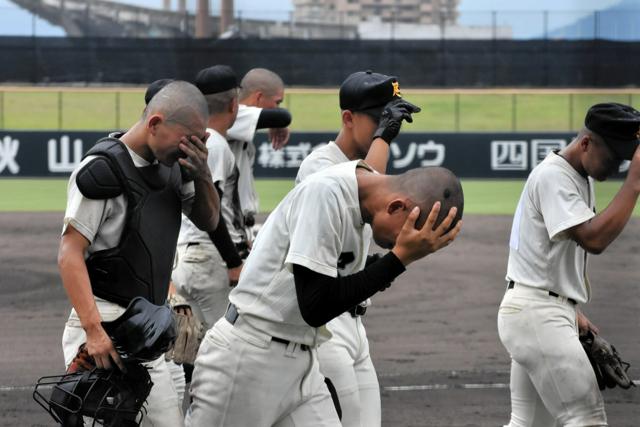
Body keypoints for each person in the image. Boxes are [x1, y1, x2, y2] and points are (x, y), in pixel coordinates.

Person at [185, 160, 463, 427]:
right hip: (247, 358)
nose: (399, 244)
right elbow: (315, 306)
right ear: (397, 206)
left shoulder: (362, 193)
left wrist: (377, 266)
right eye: (406, 235)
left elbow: (327, 272)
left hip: (301, 364)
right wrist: (399, 260)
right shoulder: (326, 194)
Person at [58, 80, 220, 427]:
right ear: (155, 123)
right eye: (185, 141)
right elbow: (70, 253)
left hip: (148, 332)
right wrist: (93, 330)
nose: (188, 150)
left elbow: (208, 220)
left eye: (197, 142)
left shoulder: (176, 166)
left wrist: (203, 174)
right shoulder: (102, 172)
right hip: (103, 330)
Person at [498, 102, 640, 427]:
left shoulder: (578, 175)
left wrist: (569, 308)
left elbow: (538, 253)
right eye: (613, 156)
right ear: (586, 143)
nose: (616, 166)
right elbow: (594, 239)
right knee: (586, 418)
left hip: (535, 311)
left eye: (624, 159)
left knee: (528, 424)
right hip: (537, 316)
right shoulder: (554, 177)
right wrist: (634, 183)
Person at [295, 70, 420, 427]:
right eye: (378, 119)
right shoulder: (319, 165)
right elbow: (365, 187)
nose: (386, 129)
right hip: (325, 329)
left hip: (356, 327)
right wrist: (383, 138)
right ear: (348, 118)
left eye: (390, 118)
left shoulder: (366, 165)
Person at [173, 64, 248, 329]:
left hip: (191, 258)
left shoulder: (202, 140)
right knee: (227, 345)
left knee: (194, 351)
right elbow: (210, 211)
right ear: (233, 104)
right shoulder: (213, 143)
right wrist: (233, 260)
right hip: (208, 259)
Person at [226, 67, 292, 233]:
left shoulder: (237, 123)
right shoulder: (232, 114)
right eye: (277, 102)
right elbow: (283, 117)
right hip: (222, 230)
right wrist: (277, 122)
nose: (278, 108)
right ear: (259, 97)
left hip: (237, 227)